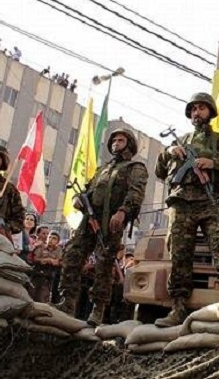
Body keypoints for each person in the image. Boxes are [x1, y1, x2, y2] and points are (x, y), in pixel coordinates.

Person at [154, 92, 219, 327]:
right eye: (193, 109)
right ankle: (178, 307)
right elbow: (160, 172)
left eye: (202, 108)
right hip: (182, 202)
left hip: (212, 200)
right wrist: (168, 153)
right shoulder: (180, 142)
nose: (197, 112)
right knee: (179, 253)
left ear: (210, 112)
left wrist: (213, 163)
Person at [56, 128, 148, 326]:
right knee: (72, 255)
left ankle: (98, 308)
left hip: (111, 223)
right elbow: (87, 190)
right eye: (114, 140)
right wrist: (79, 200)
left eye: (120, 140)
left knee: (104, 264)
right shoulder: (102, 169)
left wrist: (123, 212)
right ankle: (67, 301)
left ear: (129, 144)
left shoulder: (135, 168)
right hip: (89, 220)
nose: (116, 143)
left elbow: (136, 193)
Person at [30, 230, 62, 303]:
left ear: (57, 241)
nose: (50, 239)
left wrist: (56, 262)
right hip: (37, 273)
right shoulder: (41, 247)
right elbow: (35, 259)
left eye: (54, 238)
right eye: (49, 237)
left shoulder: (59, 250)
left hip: (49, 276)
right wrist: (47, 260)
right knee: (31, 293)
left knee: (43, 297)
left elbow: (59, 261)